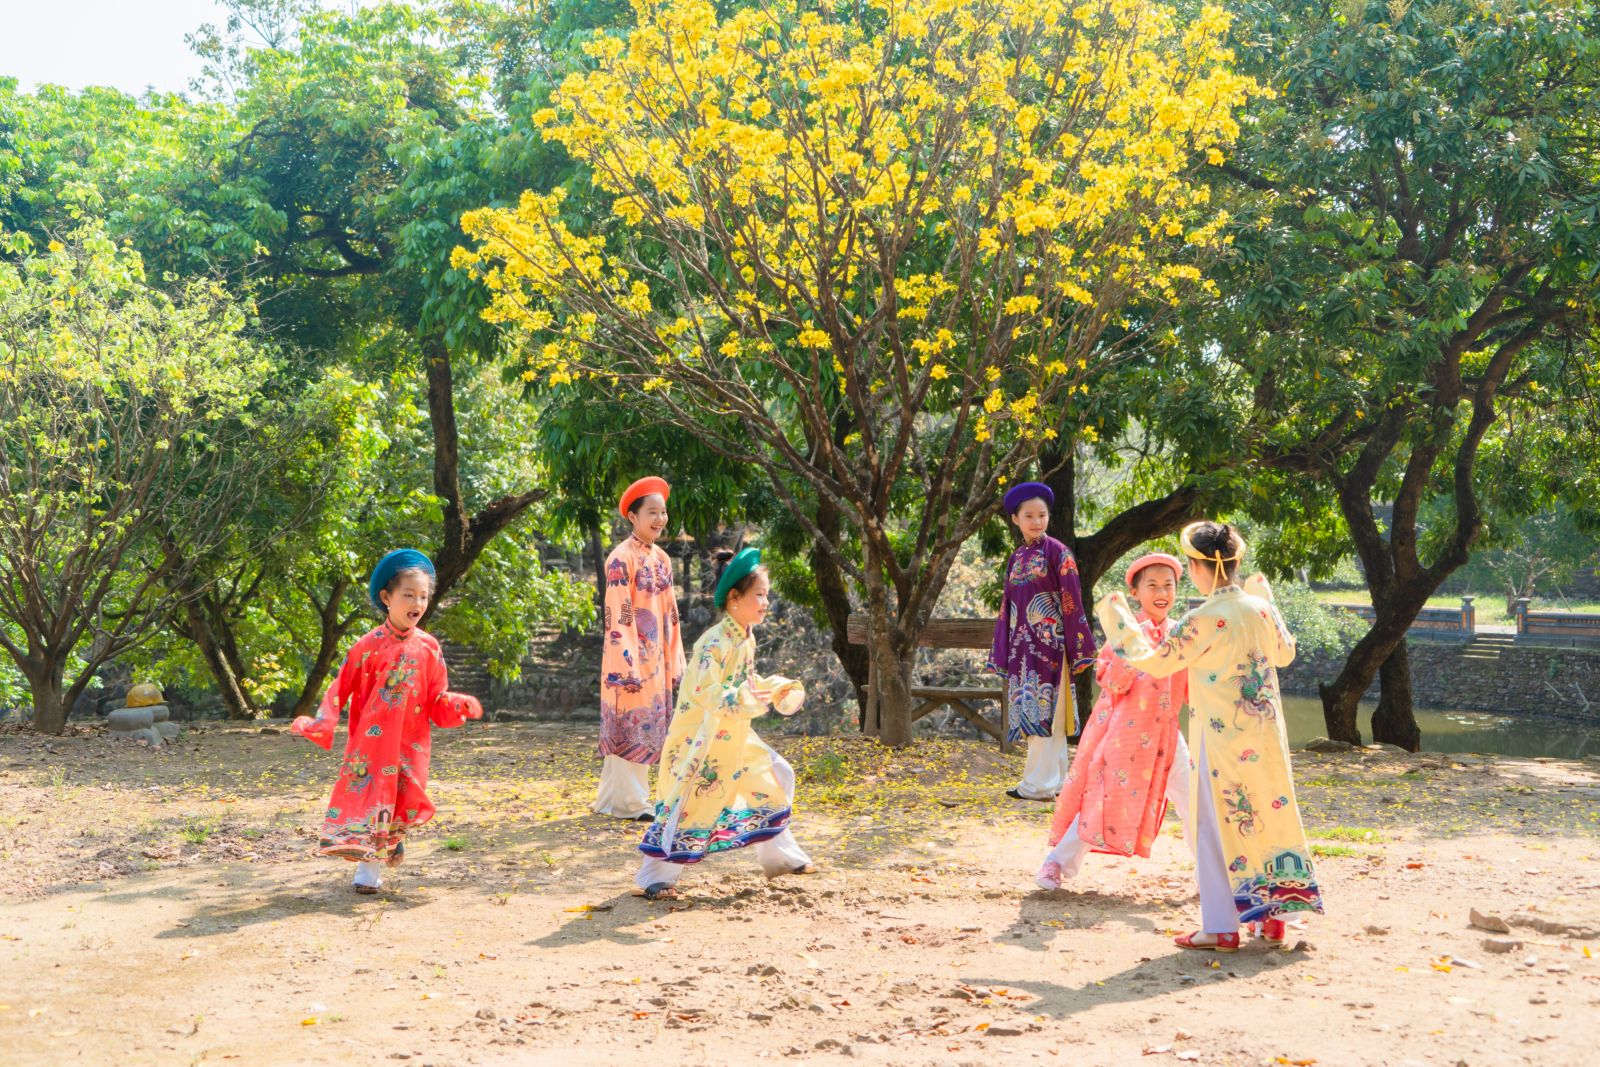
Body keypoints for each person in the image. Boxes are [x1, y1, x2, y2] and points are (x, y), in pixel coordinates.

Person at [1095, 521, 1323, 951]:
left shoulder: (1200, 619)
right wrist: (1268, 599)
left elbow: (1157, 662)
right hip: (1267, 736)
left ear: (1197, 567)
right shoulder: (1259, 609)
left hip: (1219, 741)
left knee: (1214, 826)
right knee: (1270, 817)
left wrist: (1118, 618)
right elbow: (1285, 653)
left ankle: (1221, 926)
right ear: (1235, 564)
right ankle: (1273, 921)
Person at [292, 549, 483, 894]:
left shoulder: (429, 648)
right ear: (386, 597)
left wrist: (458, 704)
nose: (417, 602)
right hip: (372, 744)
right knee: (372, 798)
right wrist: (322, 721)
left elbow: (437, 699)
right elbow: (341, 687)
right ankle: (368, 873)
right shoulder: (366, 647)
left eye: (423, 596)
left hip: (410, 743)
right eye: (408, 595)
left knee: (400, 800)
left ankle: (391, 843)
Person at [634, 547, 814, 900]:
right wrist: (753, 698)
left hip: (731, 735)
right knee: (691, 803)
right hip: (701, 741)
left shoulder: (744, 637)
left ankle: (782, 858)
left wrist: (774, 687)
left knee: (778, 776)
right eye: (759, 595)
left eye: (767, 595)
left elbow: (744, 682)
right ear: (735, 597)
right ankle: (652, 876)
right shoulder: (714, 641)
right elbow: (707, 691)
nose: (766, 602)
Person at [1037, 552, 1192, 888]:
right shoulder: (1125, 631)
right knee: (1102, 800)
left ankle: (1214, 878)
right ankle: (1056, 863)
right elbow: (1111, 681)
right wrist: (1131, 649)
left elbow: (1193, 690)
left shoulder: (1182, 634)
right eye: (1152, 585)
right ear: (1135, 592)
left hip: (1167, 734)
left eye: (1168, 585)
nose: (1161, 591)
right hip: (1126, 735)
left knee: (1196, 803)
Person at [987, 482, 1097, 800]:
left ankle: (1040, 785)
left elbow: (1072, 601)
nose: (1037, 521)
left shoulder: (1059, 553)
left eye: (1042, 515)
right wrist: (1005, 645)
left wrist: (1075, 646)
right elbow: (1008, 606)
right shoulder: (1016, 558)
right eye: (1029, 516)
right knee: (1032, 712)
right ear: (1015, 519)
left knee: (1049, 713)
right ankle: (1052, 782)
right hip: (1024, 647)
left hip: (1051, 644)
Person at [596, 477, 687, 820]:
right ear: (632, 517)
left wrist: (675, 659)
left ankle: (611, 801)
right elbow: (618, 615)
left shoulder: (661, 558)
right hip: (629, 662)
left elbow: (671, 614)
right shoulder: (621, 559)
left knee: (647, 729)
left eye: (663, 512)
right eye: (652, 512)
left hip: (657, 660)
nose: (660, 519)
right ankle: (632, 804)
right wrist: (627, 665)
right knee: (628, 727)